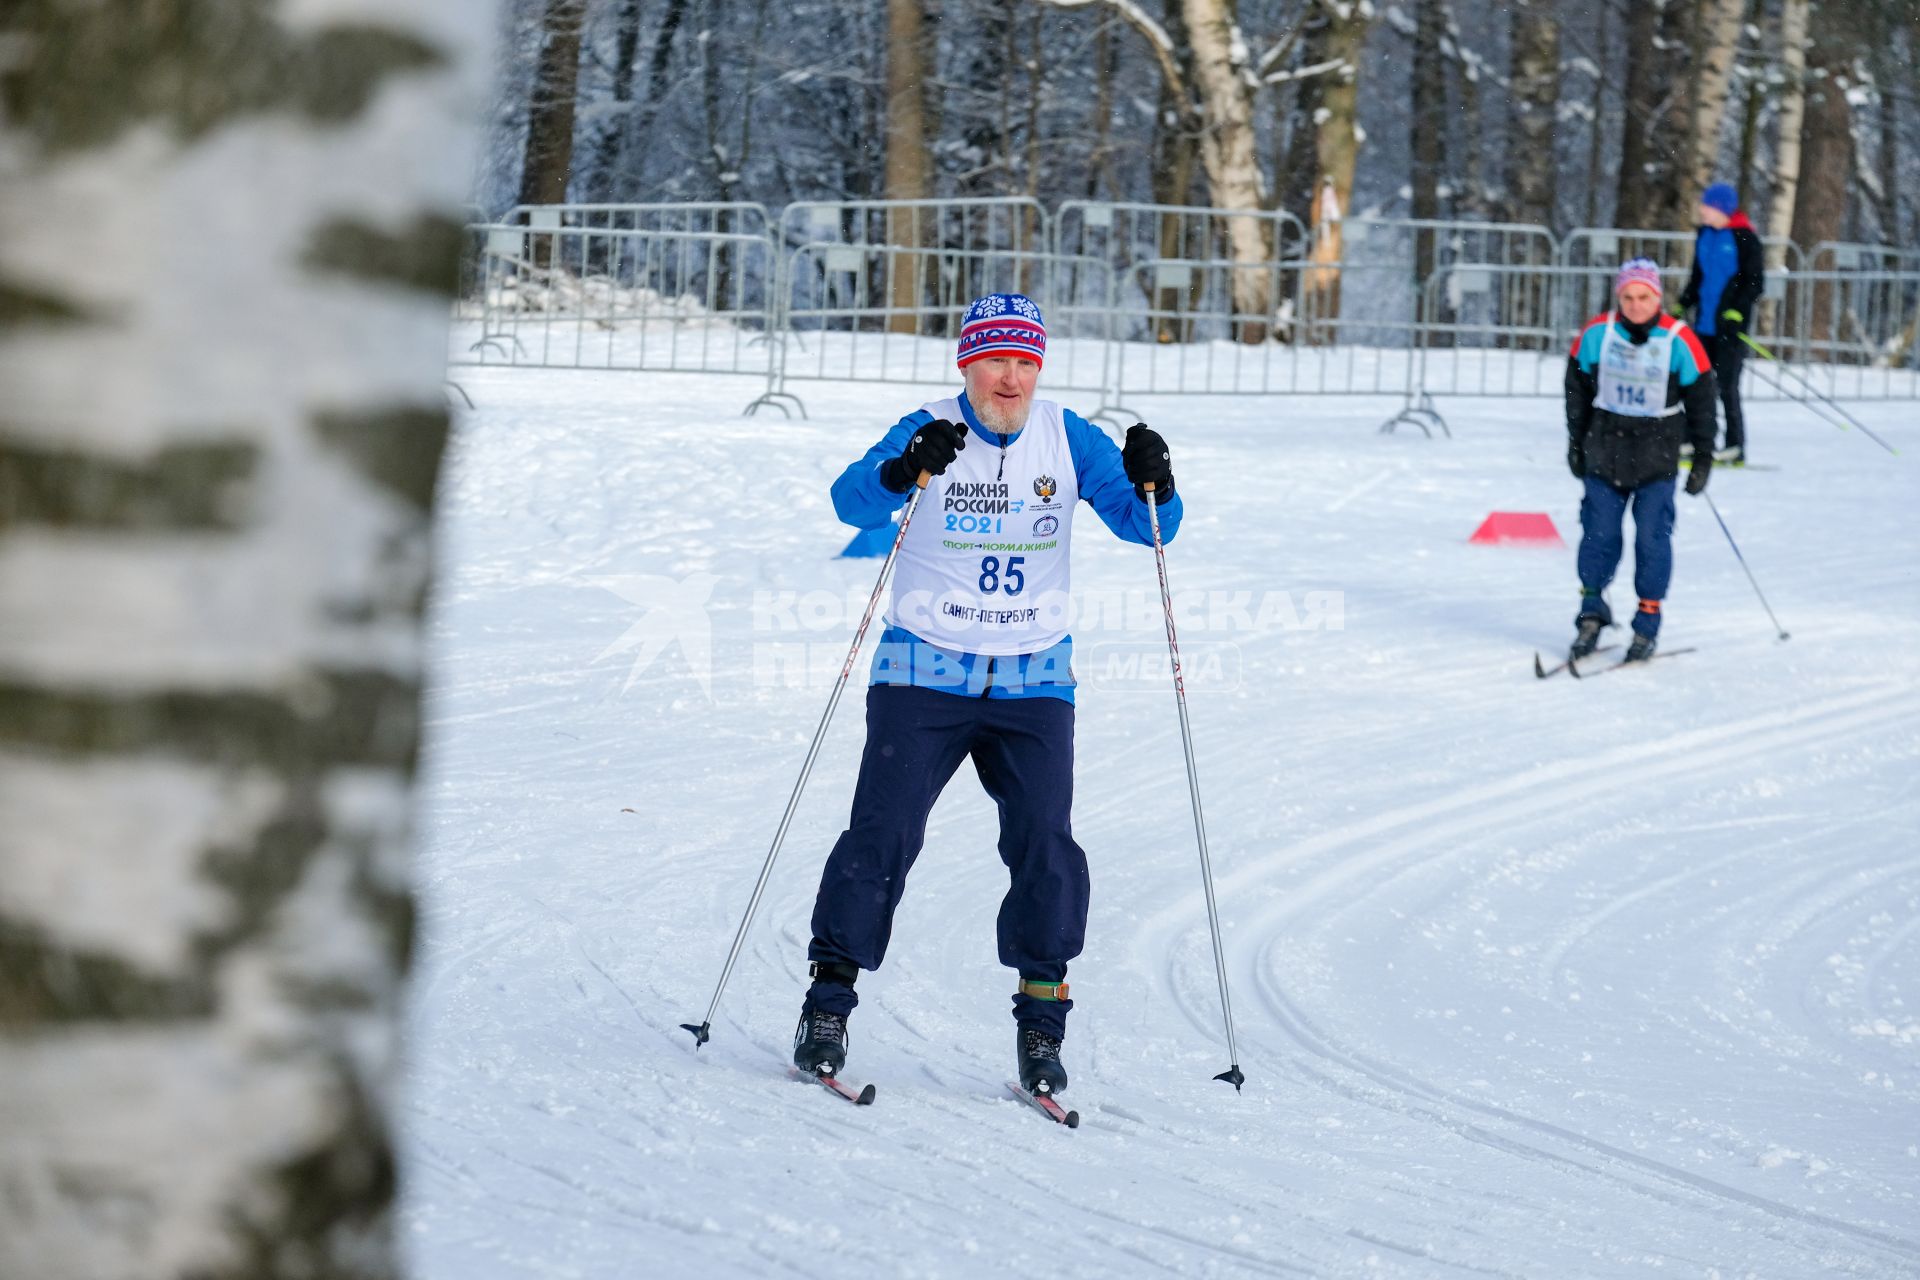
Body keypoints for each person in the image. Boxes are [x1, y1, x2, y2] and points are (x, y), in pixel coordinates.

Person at [794, 292, 1182, 1097]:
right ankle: (828, 1005)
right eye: (994, 360)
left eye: (1024, 361)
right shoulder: (930, 426)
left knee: (1046, 846)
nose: (1009, 377)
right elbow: (849, 500)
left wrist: (1158, 482)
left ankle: (1042, 1025)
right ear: (966, 364)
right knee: (882, 837)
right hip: (921, 674)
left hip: (1034, 680)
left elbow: (1149, 528)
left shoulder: (1068, 437)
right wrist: (902, 471)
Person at [1565, 258, 1718, 664]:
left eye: (1644, 297)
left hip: (1656, 455)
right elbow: (1576, 388)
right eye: (1628, 297)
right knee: (1599, 534)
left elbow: (1703, 401)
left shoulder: (1679, 339)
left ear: (1658, 297)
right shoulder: (1598, 333)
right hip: (1605, 449)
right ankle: (1591, 611)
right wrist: (1575, 441)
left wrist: (1704, 456)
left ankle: (1647, 621)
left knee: (1652, 538)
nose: (1635, 305)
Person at [1679, 182, 1765, 464]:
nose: (1702, 210)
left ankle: (1734, 445)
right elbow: (1698, 276)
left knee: (1727, 386)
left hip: (1730, 327)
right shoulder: (1704, 234)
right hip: (1704, 324)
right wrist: (1683, 302)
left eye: (1707, 206)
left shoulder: (1745, 238)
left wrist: (1737, 313)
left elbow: (1753, 282)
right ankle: (1694, 439)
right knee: (1696, 383)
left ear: (1721, 209)